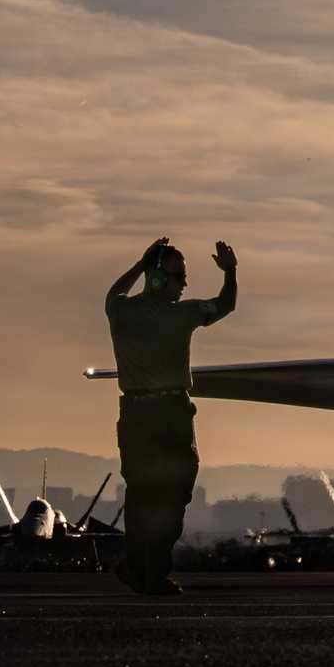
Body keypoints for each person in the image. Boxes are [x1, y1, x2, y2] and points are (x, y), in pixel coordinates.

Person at [105, 236, 237, 595]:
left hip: (143, 413)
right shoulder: (182, 314)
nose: (185, 285)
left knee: (154, 493)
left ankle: (141, 569)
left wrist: (140, 263)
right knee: (161, 494)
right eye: (179, 278)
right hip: (165, 415)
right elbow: (226, 304)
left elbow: (114, 294)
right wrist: (230, 272)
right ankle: (147, 572)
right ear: (159, 279)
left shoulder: (123, 312)